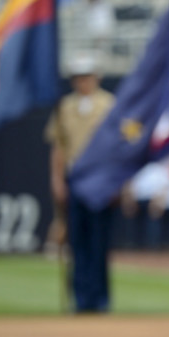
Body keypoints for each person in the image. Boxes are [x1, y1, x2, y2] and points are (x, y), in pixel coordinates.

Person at [46, 54, 115, 313]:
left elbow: (116, 149)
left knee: (99, 241)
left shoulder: (109, 105)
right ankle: (80, 297)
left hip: (99, 180)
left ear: (96, 76)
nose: (82, 81)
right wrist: (57, 179)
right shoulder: (65, 107)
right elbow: (58, 147)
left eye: (86, 76)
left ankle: (100, 298)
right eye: (78, 77)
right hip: (75, 179)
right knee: (77, 241)